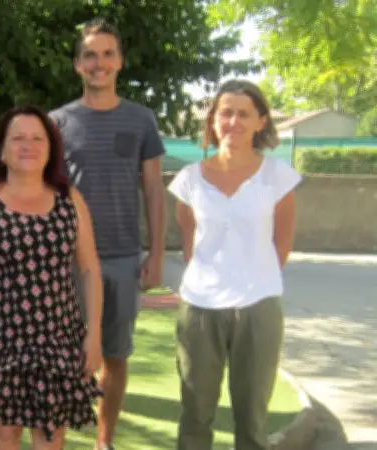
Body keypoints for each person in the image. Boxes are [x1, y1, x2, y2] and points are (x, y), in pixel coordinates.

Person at [0, 105, 104, 449]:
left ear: (50, 150)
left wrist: (93, 335)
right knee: (4, 434)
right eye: (18, 138)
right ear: (2, 151)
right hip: (3, 340)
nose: (28, 145)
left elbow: (90, 269)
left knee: (49, 436)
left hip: (59, 338)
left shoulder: (70, 202)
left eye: (38, 138)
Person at [48, 18, 167, 450]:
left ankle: (104, 441)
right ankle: (54, 439)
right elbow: (45, 193)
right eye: (90, 55)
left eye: (108, 54)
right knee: (60, 356)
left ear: (120, 61)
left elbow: (153, 189)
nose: (100, 63)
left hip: (121, 257)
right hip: (66, 262)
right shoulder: (56, 123)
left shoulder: (141, 121)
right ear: (78, 65)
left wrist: (155, 254)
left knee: (114, 356)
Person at [167, 79, 301, 450]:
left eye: (244, 114)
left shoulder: (278, 177)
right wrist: (210, 279)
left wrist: (254, 277)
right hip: (199, 308)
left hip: (259, 304)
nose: (234, 122)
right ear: (213, 120)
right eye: (226, 112)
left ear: (261, 122)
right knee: (195, 413)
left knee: (253, 417)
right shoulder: (190, 179)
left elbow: (282, 243)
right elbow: (189, 238)